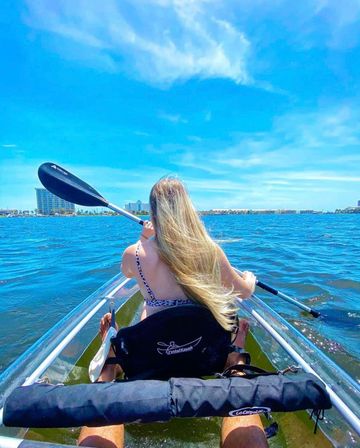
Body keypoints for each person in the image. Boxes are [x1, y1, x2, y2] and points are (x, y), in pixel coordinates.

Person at [79, 177, 268, 448]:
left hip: (152, 354)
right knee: (220, 324)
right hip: (201, 354)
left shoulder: (134, 254)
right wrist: (249, 278)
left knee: (148, 318)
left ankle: (112, 364)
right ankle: (234, 363)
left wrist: (144, 239)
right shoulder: (210, 251)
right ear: (187, 209)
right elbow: (243, 292)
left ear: (154, 212)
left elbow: (126, 272)